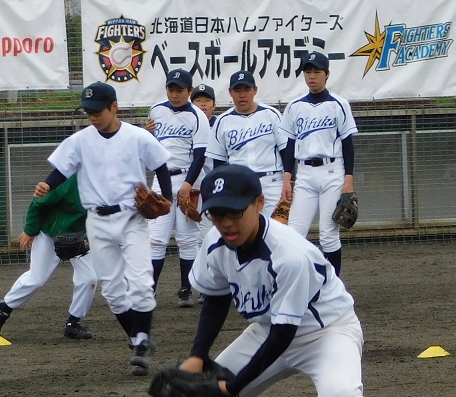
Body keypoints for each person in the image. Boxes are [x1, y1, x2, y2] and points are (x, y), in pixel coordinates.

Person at [99, 164, 386, 397]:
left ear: (259, 203)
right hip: (267, 329)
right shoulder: (217, 242)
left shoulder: (288, 254)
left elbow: (284, 337)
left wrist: (231, 386)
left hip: (326, 331)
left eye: (234, 212)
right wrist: (197, 357)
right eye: (217, 214)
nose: (226, 223)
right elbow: (216, 298)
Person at [31, 81, 173, 375]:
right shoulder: (81, 140)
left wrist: (167, 198)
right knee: (111, 291)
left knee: (142, 284)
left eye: (97, 111)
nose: (92, 116)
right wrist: (47, 184)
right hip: (96, 220)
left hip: (131, 218)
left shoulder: (136, 136)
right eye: (88, 111)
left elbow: (160, 164)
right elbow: (62, 170)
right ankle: (137, 340)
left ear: (114, 107)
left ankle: (143, 341)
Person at [0, 175, 97, 340]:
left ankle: (73, 324)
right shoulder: (70, 182)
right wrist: (30, 230)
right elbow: (39, 202)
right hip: (50, 233)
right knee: (37, 278)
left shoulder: (110, 186)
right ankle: (4, 308)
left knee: (89, 279)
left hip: (81, 238)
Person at [280, 50, 359, 275]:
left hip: (333, 171)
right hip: (304, 173)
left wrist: (349, 181)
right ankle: (298, 281)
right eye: (308, 72)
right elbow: (288, 145)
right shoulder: (295, 106)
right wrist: (288, 178)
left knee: (328, 234)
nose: (311, 76)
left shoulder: (339, 104)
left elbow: (348, 144)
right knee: (294, 234)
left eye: (316, 71)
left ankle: (332, 287)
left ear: (327, 75)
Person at [145, 68, 210, 308]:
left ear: (189, 92)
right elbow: (150, 146)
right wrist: (145, 133)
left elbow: (201, 155)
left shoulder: (197, 116)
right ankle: (150, 290)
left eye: (180, 90)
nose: (174, 94)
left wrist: (187, 184)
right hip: (161, 178)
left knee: (187, 238)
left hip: (188, 180)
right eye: (171, 89)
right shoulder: (157, 110)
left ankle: (186, 289)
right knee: (156, 238)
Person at [206, 70, 289, 217]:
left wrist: (289, 182)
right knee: (244, 233)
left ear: (255, 90)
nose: (242, 95)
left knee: (275, 232)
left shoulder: (272, 115)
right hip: (239, 185)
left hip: (272, 182)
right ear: (230, 92)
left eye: (247, 89)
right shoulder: (223, 121)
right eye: (237, 90)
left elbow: (286, 152)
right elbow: (218, 163)